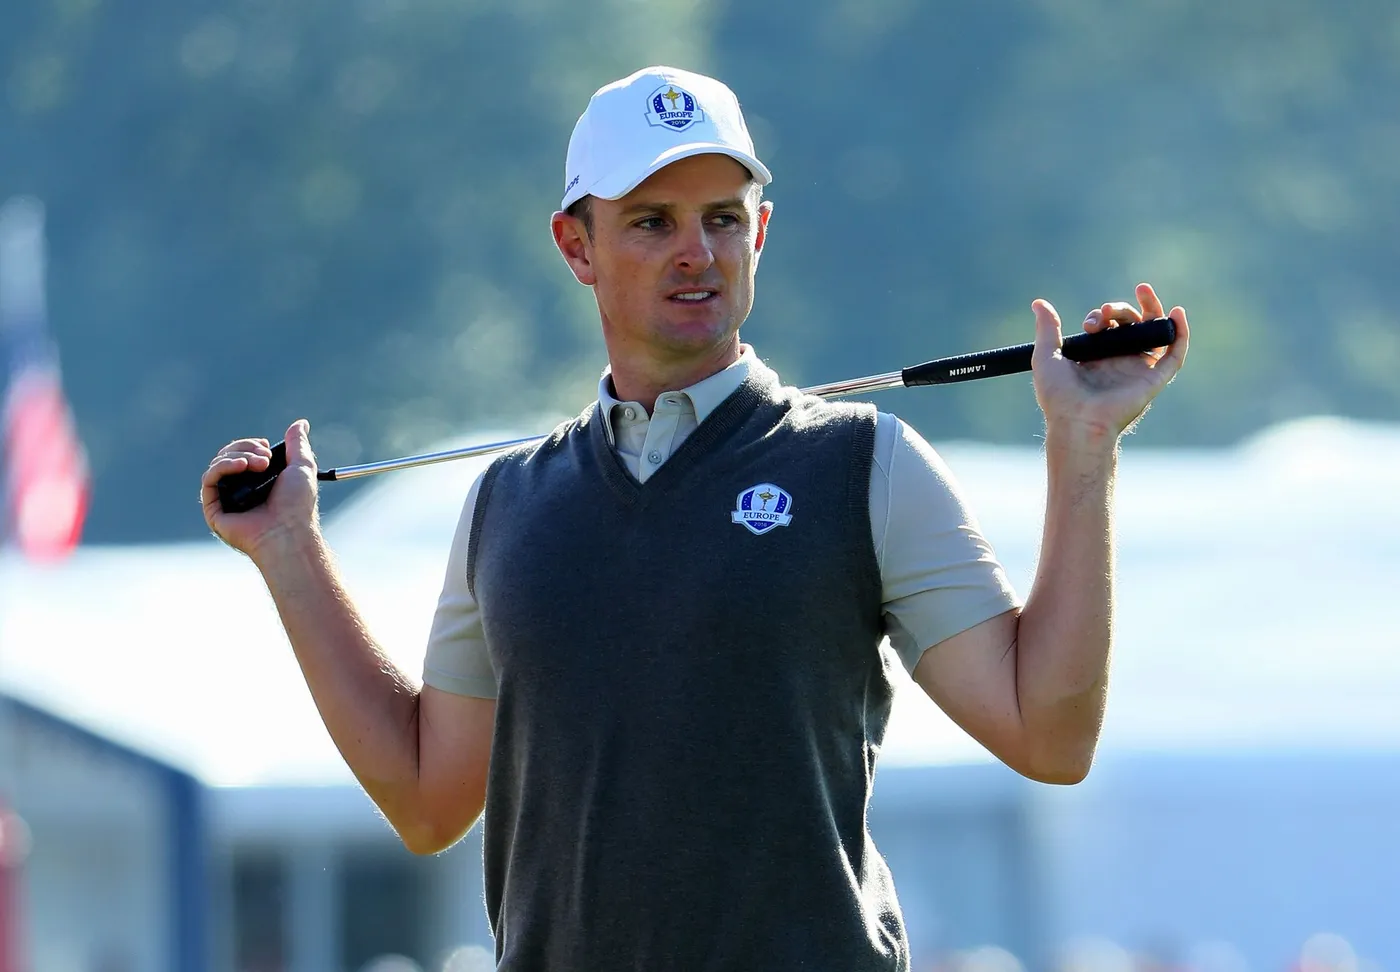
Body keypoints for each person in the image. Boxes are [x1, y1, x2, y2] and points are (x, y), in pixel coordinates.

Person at [201, 65, 1189, 971]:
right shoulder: (506, 503)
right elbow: (428, 799)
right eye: (651, 221)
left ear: (759, 233)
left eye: (722, 218)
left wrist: (1083, 442)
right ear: (576, 245)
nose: (696, 252)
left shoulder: (866, 464)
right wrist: (288, 551)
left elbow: (1047, 737)